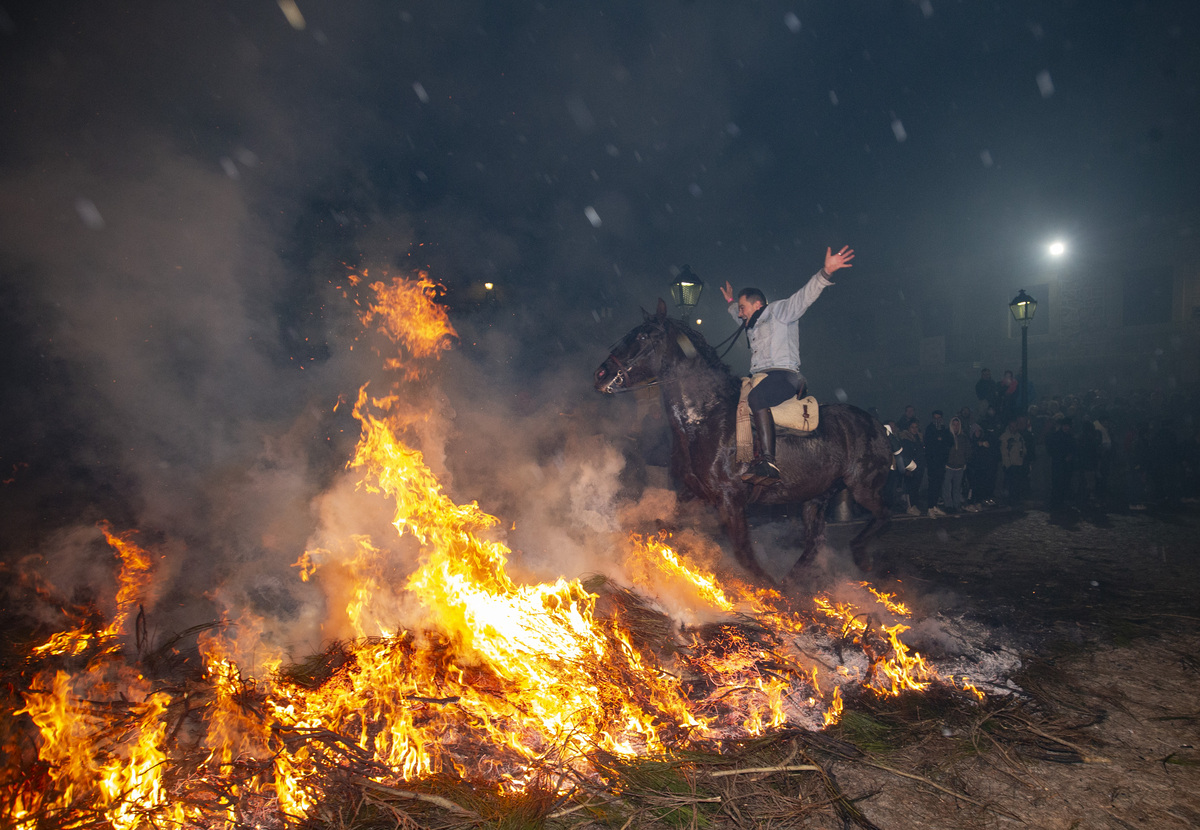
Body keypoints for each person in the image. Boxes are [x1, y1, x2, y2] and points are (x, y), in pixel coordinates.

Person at [720, 245, 855, 483]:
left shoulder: (779, 311)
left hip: (785, 376)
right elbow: (735, 314)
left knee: (756, 399)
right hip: (762, 377)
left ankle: (769, 461)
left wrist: (825, 273)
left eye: (743, 308)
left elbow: (803, 297)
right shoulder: (751, 322)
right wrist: (732, 302)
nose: (740, 314)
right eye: (739, 310)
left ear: (757, 305)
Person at [924, 410, 954, 515]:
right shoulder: (929, 429)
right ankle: (930, 507)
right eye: (935, 418)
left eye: (939, 418)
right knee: (932, 484)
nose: (937, 420)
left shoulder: (945, 429)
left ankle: (935, 505)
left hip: (941, 462)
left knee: (938, 484)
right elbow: (929, 445)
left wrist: (942, 439)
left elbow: (950, 442)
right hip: (933, 462)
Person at [942, 415, 972, 512]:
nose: (956, 426)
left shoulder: (963, 437)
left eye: (957, 425)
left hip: (960, 466)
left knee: (957, 487)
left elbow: (968, 450)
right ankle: (948, 505)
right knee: (947, 487)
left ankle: (956, 505)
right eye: (954, 425)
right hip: (949, 466)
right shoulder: (947, 436)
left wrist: (965, 461)